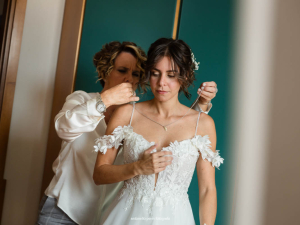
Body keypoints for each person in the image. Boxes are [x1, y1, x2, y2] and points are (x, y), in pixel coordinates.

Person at [36, 40, 218, 225]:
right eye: (122, 70)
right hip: (66, 209)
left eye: (136, 74)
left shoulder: (133, 113)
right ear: (104, 71)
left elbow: (176, 128)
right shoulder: (86, 102)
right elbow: (64, 128)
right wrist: (105, 100)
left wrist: (200, 108)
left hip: (110, 213)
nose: (129, 79)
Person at [93, 38, 224, 225]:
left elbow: (207, 190)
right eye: (155, 74)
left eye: (171, 75)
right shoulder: (126, 114)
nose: (162, 83)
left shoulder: (202, 124)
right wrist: (137, 167)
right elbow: (99, 174)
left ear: (185, 76)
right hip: (126, 217)